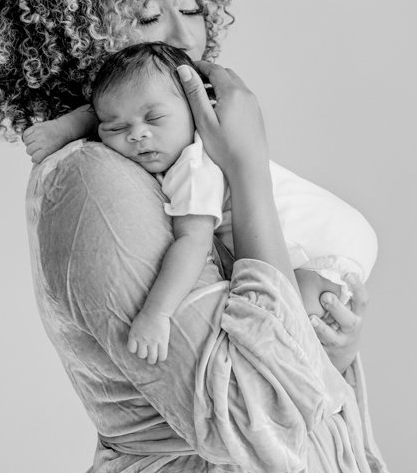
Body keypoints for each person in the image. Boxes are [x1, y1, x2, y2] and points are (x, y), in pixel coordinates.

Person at [0, 0, 388, 473]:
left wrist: (329, 356)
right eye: (149, 18)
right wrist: (246, 168)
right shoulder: (92, 181)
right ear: (70, 36)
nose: (187, 39)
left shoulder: (164, 158)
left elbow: (281, 371)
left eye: (192, 5)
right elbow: (251, 414)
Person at [70, 41, 377, 364]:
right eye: (116, 128)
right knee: (294, 342)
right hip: (336, 231)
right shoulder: (172, 151)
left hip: (325, 245)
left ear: (197, 107)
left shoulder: (193, 166)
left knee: (287, 341)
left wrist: (156, 313)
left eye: (155, 118)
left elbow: (193, 242)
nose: (136, 135)